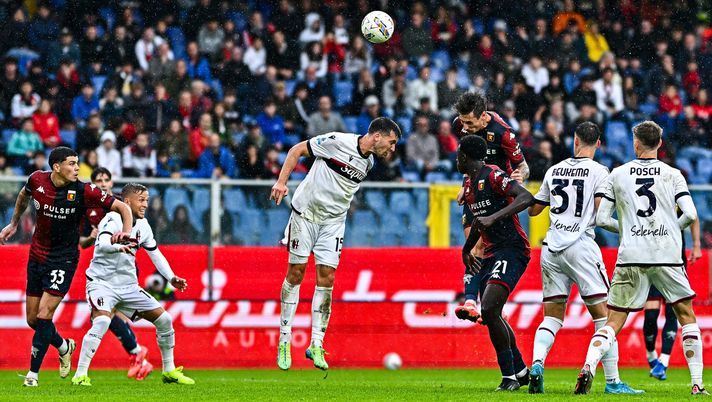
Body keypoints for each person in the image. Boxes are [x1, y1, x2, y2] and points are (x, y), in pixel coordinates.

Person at [575, 121, 706, 396]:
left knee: (613, 320)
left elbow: (601, 219)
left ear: (636, 144)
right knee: (685, 315)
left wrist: (626, 229)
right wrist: (673, 227)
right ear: (659, 143)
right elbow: (692, 214)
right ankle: (697, 384)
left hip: (631, 254)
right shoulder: (673, 174)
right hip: (666, 254)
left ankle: (588, 365)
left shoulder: (617, 174)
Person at [271, 117, 401, 371]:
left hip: (333, 223)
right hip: (305, 214)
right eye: (392, 142)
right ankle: (284, 339)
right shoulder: (336, 142)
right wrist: (281, 182)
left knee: (327, 278)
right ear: (377, 136)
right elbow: (296, 149)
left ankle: (316, 344)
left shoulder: (369, 162)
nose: (393, 148)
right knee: (296, 273)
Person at [0, 147, 133, 387]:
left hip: (64, 260)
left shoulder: (84, 190)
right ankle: (64, 346)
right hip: (37, 256)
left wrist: (127, 231)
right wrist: (13, 223)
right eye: (72, 164)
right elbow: (23, 194)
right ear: (57, 167)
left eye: (77, 163)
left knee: (44, 315)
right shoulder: (37, 180)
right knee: (33, 320)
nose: (77, 168)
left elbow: (123, 207)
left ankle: (33, 374)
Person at [527, 122, 642, 394]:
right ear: (598, 143)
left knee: (552, 317)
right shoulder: (601, 172)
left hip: (551, 246)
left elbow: (533, 211)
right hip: (581, 246)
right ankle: (613, 382)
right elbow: (602, 214)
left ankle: (537, 364)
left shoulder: (554, 170)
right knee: (605, 317)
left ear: (575, 141)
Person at [71, 183, 194, 386]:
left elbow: (156, 254)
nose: (145, 204)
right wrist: (118, 247)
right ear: (126, 202)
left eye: (147, 199)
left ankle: (169, 371)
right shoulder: (112, 218)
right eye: (141, 200)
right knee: (102, 321)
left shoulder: (144, 227)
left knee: (165, 320)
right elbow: (101, 245)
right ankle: (80, 375)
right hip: (102, 284)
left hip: (128, 286)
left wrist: (171, 277)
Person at [458, 135, 534, 391]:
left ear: (466, 157)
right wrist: (467, 250)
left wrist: (494, 217)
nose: (456, 158)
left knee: (489, 309)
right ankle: (521, 371)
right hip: (491, 252)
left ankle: (509, 378)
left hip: (513, 249)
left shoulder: (493, 175)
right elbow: (479, 223)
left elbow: (526, 197)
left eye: (459, 154)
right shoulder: (468, 185)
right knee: (493, 314)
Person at [451, 92, 529, 325]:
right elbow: (468, 161)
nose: (464, 127)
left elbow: (523, 167)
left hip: (496, 194)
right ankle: (470, 302)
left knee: (490, 248)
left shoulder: (504, 133)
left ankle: (492, 305)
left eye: (470, 122)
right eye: (462, 122)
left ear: (483, 117)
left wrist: (519, 176)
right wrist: (465, 184)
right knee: (474, 245)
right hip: (474, 192)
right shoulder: (462, 126)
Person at [78, 167, 154, 380]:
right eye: (98, 180)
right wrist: (93, 237)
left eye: (106, 179)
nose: (103, 183)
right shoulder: (89, 210)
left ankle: (137, 353)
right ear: (92, 184)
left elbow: (138, 229)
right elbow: (82, 243)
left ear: (112, 183)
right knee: (110, 317)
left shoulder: (122, 205)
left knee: (104, 317)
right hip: (104, 268)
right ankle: (140, 357)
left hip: (123, 267)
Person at [643, 202, 702, 381]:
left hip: (676, 262)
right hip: (651, 262)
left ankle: (664, 361)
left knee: (673, 312)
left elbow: (693, 216)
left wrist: (697, 245)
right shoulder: (649, 196)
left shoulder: (677, 194)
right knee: (651, 316)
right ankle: (651, 355)